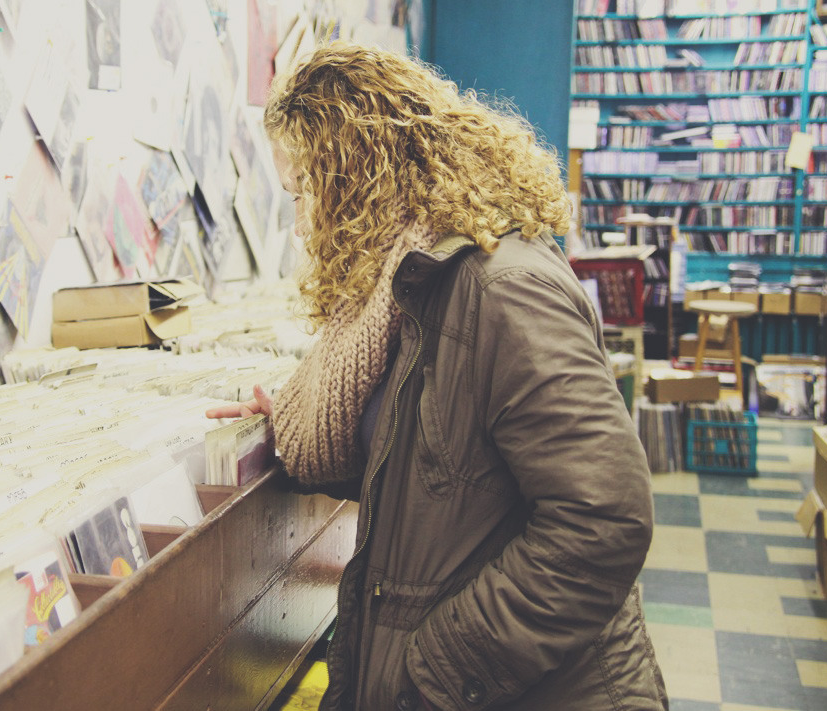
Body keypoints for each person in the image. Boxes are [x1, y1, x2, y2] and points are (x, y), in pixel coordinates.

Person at [208, 42, 667, 711]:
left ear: (357, 175)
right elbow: (437, 467)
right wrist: (286, 423)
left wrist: (438, 670)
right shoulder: (404, 291)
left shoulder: (502, 290)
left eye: (305, 190)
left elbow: (606, 519)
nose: (302, 221)